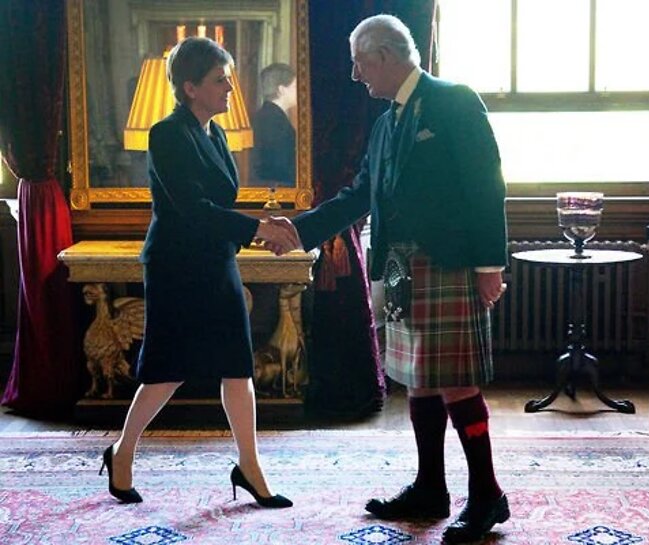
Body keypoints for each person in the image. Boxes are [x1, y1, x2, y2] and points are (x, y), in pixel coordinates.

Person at [271, 15, 509, 542]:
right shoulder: (385, 124)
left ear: (382, 56)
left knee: (455, 380)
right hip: (401, 268)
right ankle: (430, 487)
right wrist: (299, 229)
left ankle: (488, 494)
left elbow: (487, 183)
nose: (356, 76)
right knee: (419, 378)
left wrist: (490, 265)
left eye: (358, 63)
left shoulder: (453, 101)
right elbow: (359, 195)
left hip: (448, 263)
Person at [101, 36, 294, 508]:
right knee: (167, 372)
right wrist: (258, 230)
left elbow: (221, 204)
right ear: (190, 87)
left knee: (238, 367)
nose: (230, 87)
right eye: (219, 80)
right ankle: (122, 453)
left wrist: (262, 227)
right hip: (177, 268)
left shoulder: (218, 133)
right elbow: (192, 207)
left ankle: (250, 467)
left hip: (216, 262)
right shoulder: (166, 133)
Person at [249, 63, 297, 188]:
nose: (299, 90)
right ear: (281, 90)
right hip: (277, 189)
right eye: (295, 86)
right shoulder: (273, 120)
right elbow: (279, 165)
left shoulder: (269, 114)